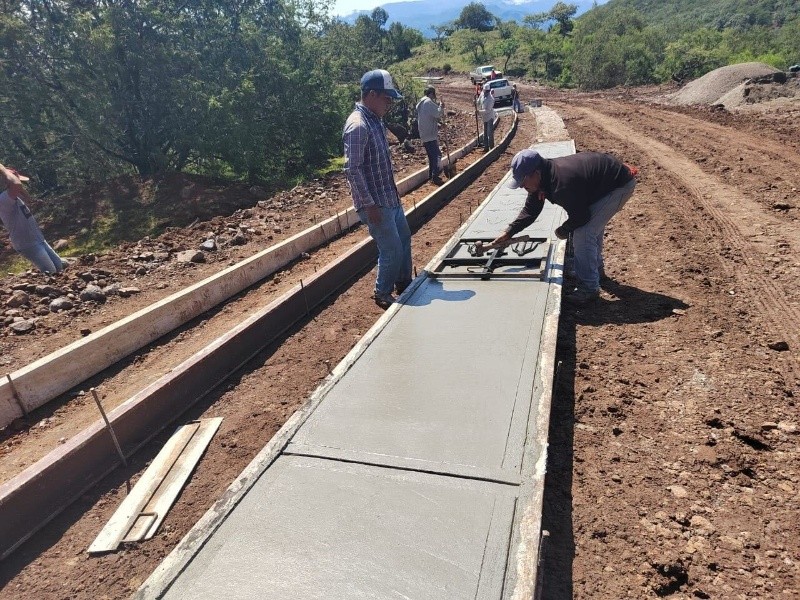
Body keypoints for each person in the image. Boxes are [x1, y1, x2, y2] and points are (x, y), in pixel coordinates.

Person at [490, 149, 638, 304]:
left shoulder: (561, 182)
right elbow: (531, 210)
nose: (521, 186)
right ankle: (595, 271)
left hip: (618, 186)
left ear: (536, 173)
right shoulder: (542, 178)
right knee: (591, 228)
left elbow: (581, 216)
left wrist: (563, 229)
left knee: (584, 232)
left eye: (523, 181)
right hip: (601, 185)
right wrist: (509, 232)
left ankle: (588, 288)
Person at [343, 69, 412, 309]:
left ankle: (405, 283)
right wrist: (369, 204)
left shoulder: (375, 120)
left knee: (403, 239)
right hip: (376, 203)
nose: (389, 104)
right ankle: (382, 292)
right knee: (391, 248)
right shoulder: (358, 126)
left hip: (389, 197)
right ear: (372, 95)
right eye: (387, 98)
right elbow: (352, 169)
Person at [0, 163, 65, 274]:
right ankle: (44, 289)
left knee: (59, 266)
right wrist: (4, 170)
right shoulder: (3, 199)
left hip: (38, 238)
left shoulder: (14, 197)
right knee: (51, 271)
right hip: (27, 243)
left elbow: (22, 192)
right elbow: (16, 184)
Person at [415, 86, 445, 185]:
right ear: (431, 93)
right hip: (430, 134)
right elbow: (438, 113)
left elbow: (428, 117)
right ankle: (435, 177)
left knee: (431, 157)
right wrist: (441, 106)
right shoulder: (428, 102)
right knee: (437, 155)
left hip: (424, 133)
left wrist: (438, 124)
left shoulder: (421, 103)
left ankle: (431, 176)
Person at [479, 83, 496, 151]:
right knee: (485, 133)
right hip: (484, 117)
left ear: (488, 91)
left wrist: (479, 112)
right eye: (484, 91)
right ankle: (486, 147)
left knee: (490, 133)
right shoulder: (482, 95)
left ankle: (491, 148)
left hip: (489, 117)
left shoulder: (491, 99)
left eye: (486, 91)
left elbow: (488, 110)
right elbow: (479, 101)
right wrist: (476, 102)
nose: (484, 92)